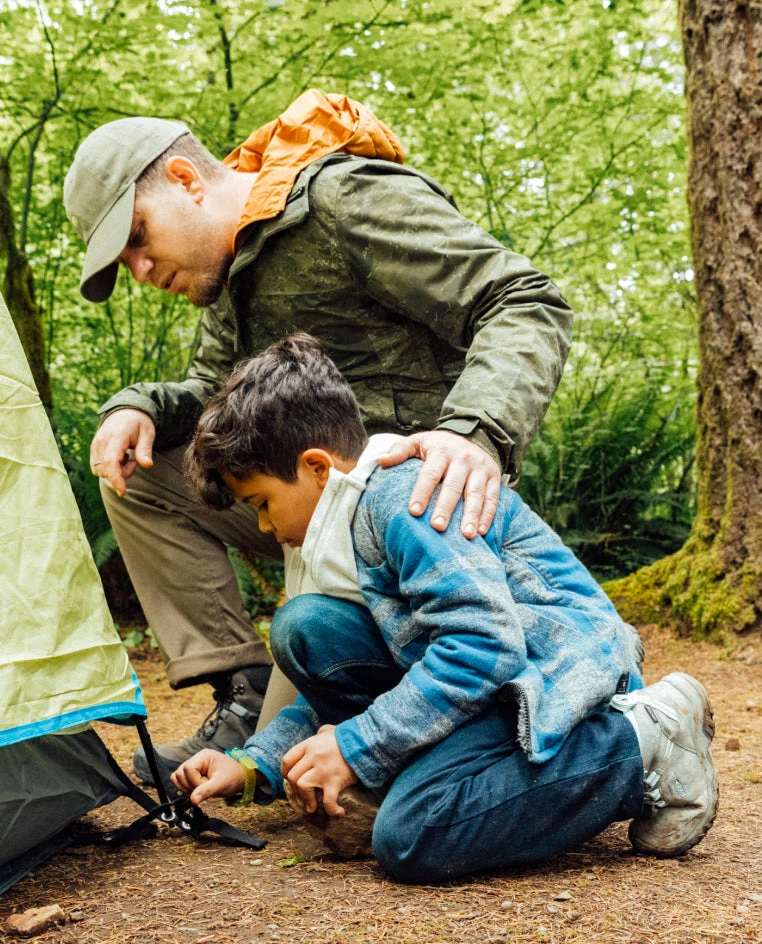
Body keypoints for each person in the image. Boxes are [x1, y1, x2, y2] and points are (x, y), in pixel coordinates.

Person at [63, 91, 573, 783]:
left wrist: (473, 435)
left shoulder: (344, 199)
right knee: (136, 467)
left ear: (185, 180)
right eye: (125, 263)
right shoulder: (227, 271)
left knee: (300, 750)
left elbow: (522, 300)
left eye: (138, 239)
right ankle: (241, 694)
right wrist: (138, 407)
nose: (142, 273)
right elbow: (212, 394)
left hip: (412, 509)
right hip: (309, 511)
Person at [170, 333, 718, 883]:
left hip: (552, 677)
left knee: (413, 835)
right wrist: (252, 763)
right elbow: (368, 674)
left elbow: (485, 647)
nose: (264, 527)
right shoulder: (345, 519)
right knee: (306, 627)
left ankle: (643, 742)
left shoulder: (404, 499)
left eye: (262, 503)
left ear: (316, 467)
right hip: (492, 683)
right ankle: (419, 776)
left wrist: (359, 746)